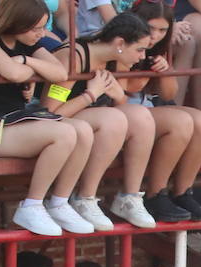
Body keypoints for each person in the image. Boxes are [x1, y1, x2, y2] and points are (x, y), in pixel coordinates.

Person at [0, 0, 100, 236]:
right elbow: (13, 74)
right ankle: (31, 205)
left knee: (82, 130)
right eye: (36, 28)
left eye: (44, 27)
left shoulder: (28, 45)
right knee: (63, 133)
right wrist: (32, 70)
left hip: (17, 122)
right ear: (16, 22)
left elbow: (60, 72)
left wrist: (26, 61)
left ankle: (59, 202)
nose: (42, 34)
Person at [43, 14, 174, 229]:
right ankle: (84, 198)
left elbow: (121, 102)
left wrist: (118, 95)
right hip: (63, 122)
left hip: (91, 120)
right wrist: (90, 95)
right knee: (113, 117)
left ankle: (129, 197)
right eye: (140, 50)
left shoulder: (115, 57)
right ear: (120, 43)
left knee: (141, 116)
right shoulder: (74, 58)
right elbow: (51, 113)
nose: (142, 57)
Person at [122, 1, 201, 218]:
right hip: (120, 113)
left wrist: (166, 72)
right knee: (180, 123)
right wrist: (145, 74)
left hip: (145, 111)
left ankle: (183, 192)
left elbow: (168, 94)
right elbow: (123, 91)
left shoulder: (159, 48)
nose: (155, 35)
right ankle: (155, 195)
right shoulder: (123, 42)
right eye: (150, 28)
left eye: (162, 30)